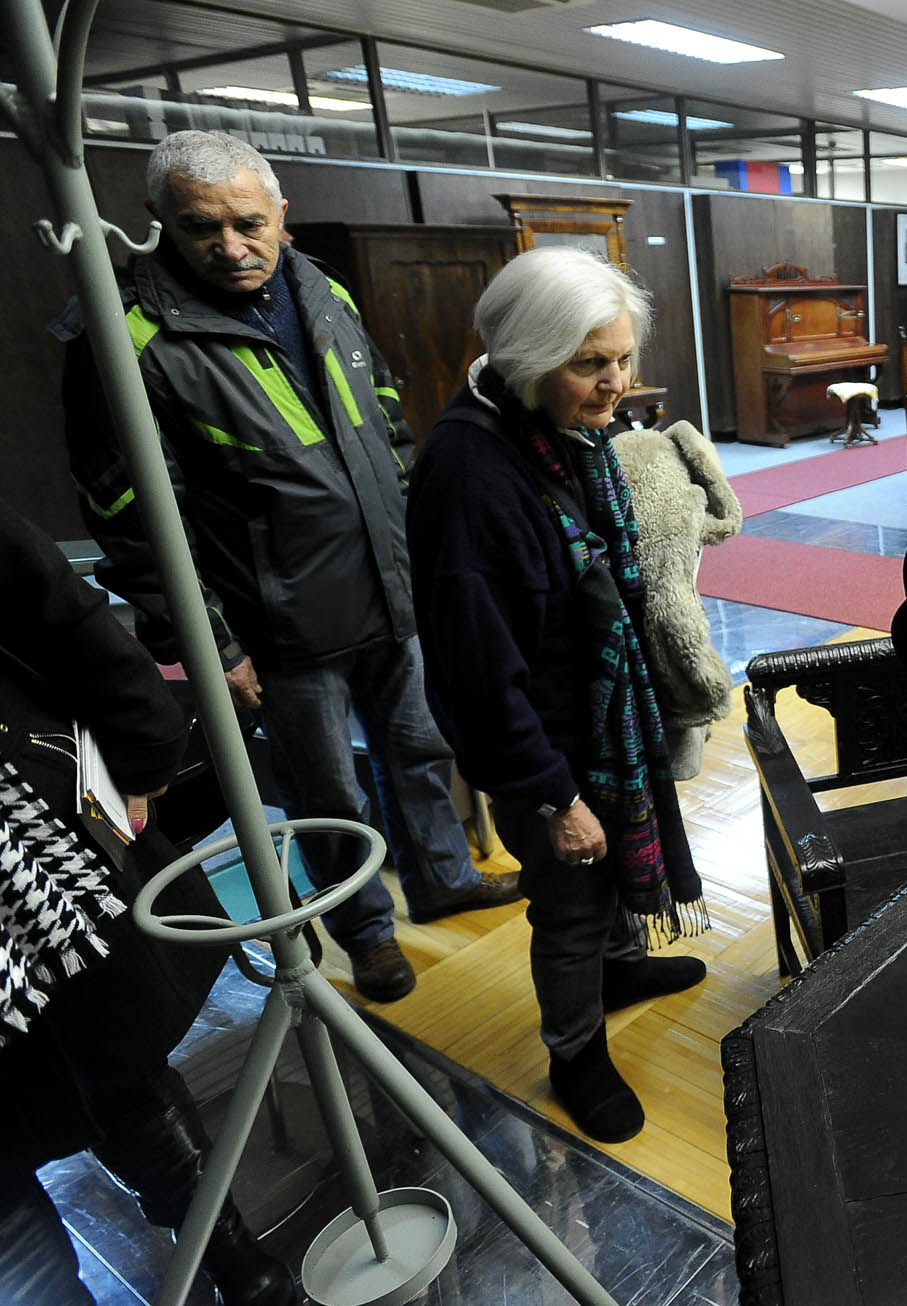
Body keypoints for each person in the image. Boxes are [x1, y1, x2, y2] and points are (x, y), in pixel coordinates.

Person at [59, 130, 517, 1004]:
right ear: (159, 222)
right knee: (326, 790)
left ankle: (443, 878)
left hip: (388, 586)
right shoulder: (125, 337)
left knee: (421, 748)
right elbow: (127, 515)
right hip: (277, 622)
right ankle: (366, 933)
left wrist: (420, 553)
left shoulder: (320, 286)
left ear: (280, 216)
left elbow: (386, 421)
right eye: (202, 228)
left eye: (247, 222)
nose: (230, 245)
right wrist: (211, 642)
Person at [406, 247, 710, 1143]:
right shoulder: (470, 474)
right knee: (571, 907)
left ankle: (619, 971)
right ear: (528, 357)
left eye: (620, 357)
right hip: (541, 741)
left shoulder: (552, 431)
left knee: (613, 878)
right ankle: (574, 1051)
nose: (615, 382)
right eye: (589, 363)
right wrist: (551, 794)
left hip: (592, 715)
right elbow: (473, 674)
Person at [0, 499, 294, 1306]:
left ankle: (228, 1251)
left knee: (112, 1057)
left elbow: (58, 610)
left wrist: (142, 752)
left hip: (31, 857)